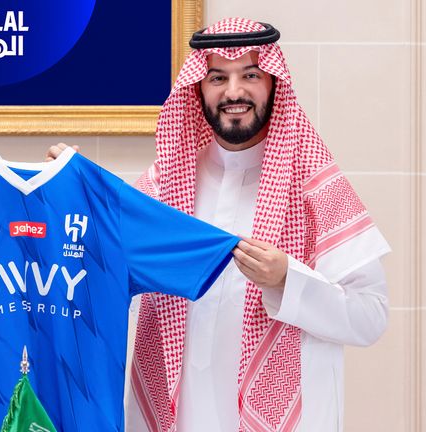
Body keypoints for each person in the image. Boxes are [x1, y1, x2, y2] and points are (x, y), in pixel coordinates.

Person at [121, 18, 390, 431]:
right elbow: (97, 257)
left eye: (250, 74)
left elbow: (371, 317)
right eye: (217, 77)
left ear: (272, 83)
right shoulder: (162, 185)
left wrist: (287, 278)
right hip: (180, 418)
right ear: (198, 87)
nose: (234, 92)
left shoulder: (316, 185)